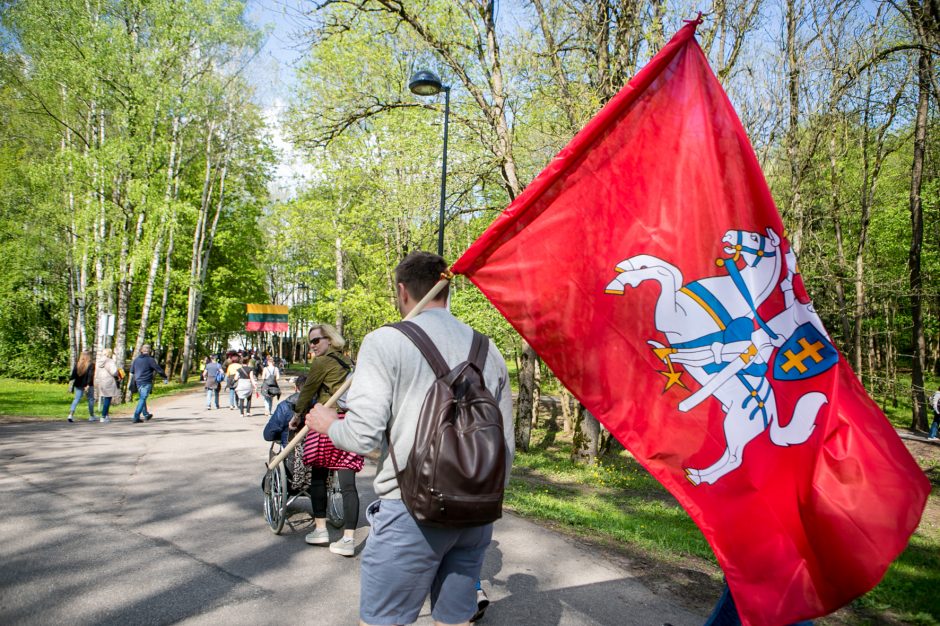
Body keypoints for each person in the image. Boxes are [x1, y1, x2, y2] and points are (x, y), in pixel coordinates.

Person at [308, 252, 514, 625]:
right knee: (456, 619)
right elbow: (506, 445)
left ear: (402, 291)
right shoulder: (490, 349)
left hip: (412, 511)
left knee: (384, 621)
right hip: (478, 512)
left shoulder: (386, 341)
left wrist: (328, 424)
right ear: (447, 289)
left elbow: (362, 435)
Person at [291, 323, 363, 557]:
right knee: (348, 485)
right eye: (309, 342)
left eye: (316, 341)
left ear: (329, 340)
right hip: (348, 422)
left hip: (326, 420)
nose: (312, 346)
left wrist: (296, 416)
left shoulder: (321, 362)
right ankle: (348, 539)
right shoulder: (347, 362)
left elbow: (307, 391)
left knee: (319, 478)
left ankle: (321, 530)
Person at [128, 344, 168, 423]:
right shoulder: (150, 360)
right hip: (146, 382)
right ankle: (136, 417)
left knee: (143, 398)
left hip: (138, 382)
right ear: (149, 351)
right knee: (142, 398)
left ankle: (146, 414)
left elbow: (132, 371)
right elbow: (158, 369)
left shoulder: (136, 360)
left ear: (141, 350)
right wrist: (164, 376)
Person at [94, 348, 123, 424]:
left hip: (100, 381)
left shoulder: (99, 361)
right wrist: (118, 372)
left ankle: (106, 415)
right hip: (108, 381)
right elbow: (114, 372)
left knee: (104, 397)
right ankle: (103, 416)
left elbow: (96, 372)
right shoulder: (110, 361)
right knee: (108, 398)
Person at [67, 350, 97, 423]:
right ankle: (91, 415)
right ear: (89, 356)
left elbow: (73, 375)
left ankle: (70, 414)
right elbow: (90, 376)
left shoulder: (78, 364)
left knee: (76, 399)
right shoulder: (91, 365)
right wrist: (88, 385)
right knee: (90, 399)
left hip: (78, 384)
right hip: (88, 385)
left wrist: (70, 380)